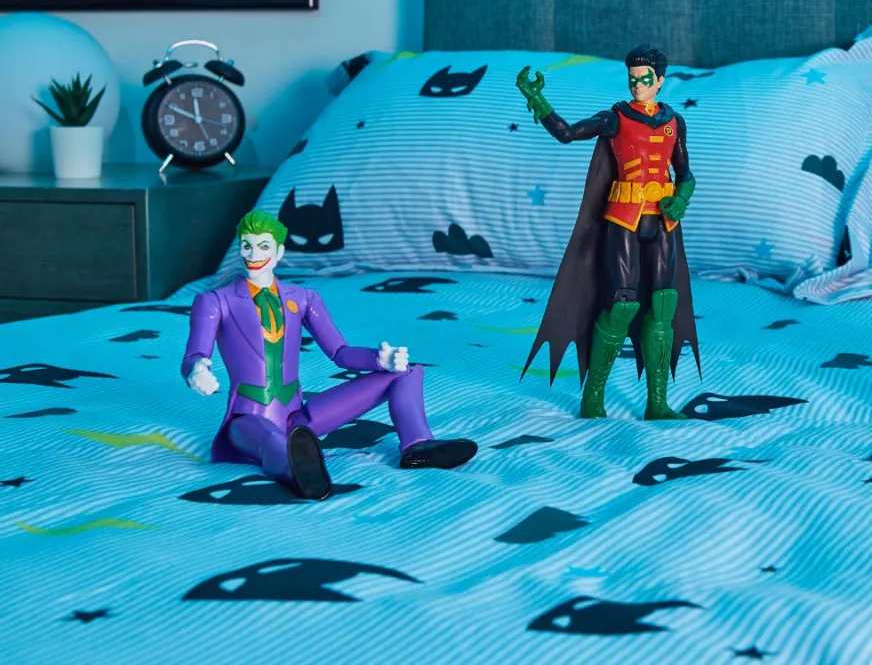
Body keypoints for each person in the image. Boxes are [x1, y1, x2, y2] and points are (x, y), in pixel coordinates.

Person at [182, 210, 477, 499]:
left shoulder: (304, 298)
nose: (253, 254)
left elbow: (339, 352)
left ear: (279, 251)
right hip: (246, 419)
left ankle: (417, 445)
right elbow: (195, 354)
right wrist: (197, 370)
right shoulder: (215, 301)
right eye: (246, 245)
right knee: (271, 440)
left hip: (297, 418)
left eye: (263, 246)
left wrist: (379, 360)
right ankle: (297, 469)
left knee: (405, 372)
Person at [515, 45, 701, 420]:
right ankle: (593, 399)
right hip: (624, 221)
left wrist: (681, 199)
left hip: (662, 223)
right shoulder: (615, 118)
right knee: (622, 305)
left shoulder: (674, 122)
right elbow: (567, 133)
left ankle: (657, 404)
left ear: (660, 81)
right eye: (632, 78)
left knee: (663, 304)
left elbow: (685, 174)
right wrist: (537, 98)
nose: (637, 85)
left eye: (645, 79)